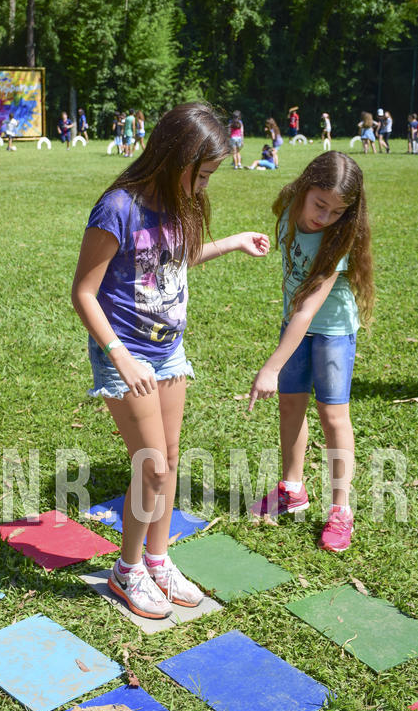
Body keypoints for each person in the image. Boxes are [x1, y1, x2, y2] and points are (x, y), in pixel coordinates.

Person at [71, 102, 270, 618]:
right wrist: (120, 357)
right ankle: (128, 569)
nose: (204, 185)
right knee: (152, 468)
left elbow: (175, 258)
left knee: (171, 460)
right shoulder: (117, 208)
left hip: (168, 350)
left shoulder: (182, 204)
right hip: (127, 352)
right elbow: (84, 293)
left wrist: (234, 242)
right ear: (173, 157)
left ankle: (158, 561)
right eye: (201, 174)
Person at [249, 151, 374, 553]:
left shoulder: (338, 237)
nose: (324, 217)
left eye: (337, 211)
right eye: (320, 204)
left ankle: (341, 509)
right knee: (291, 406)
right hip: (295, 326)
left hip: (331, 330)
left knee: (332, 415)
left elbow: (308, 308)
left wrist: (272, 365)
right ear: (305, 188)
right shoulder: (288, 204)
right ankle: (293, 490)